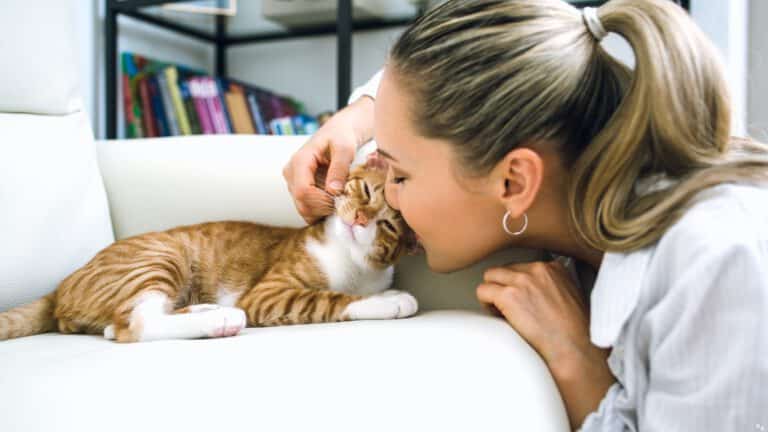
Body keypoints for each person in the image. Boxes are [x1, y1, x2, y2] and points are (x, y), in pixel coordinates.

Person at [283, 0, 768, 430]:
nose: (391, 198)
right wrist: (357, 116)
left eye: (401, 177)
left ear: (514, 183)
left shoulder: (715, 259)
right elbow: (431, 90)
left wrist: (577, 360)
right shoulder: (582, 205)